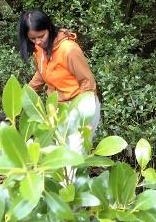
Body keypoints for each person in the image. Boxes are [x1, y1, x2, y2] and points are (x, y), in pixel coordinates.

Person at [18, 10, 101, 142]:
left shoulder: (68, 50)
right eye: (32, 38)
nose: (37, 42)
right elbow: (42, 73)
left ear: (49, 29)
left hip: (79, 106)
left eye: (41, 36)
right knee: (58, 152)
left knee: (75, 156)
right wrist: (24, 96)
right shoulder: (39, 49)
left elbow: (87, 82)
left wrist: (85, 118)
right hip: (58, 110)